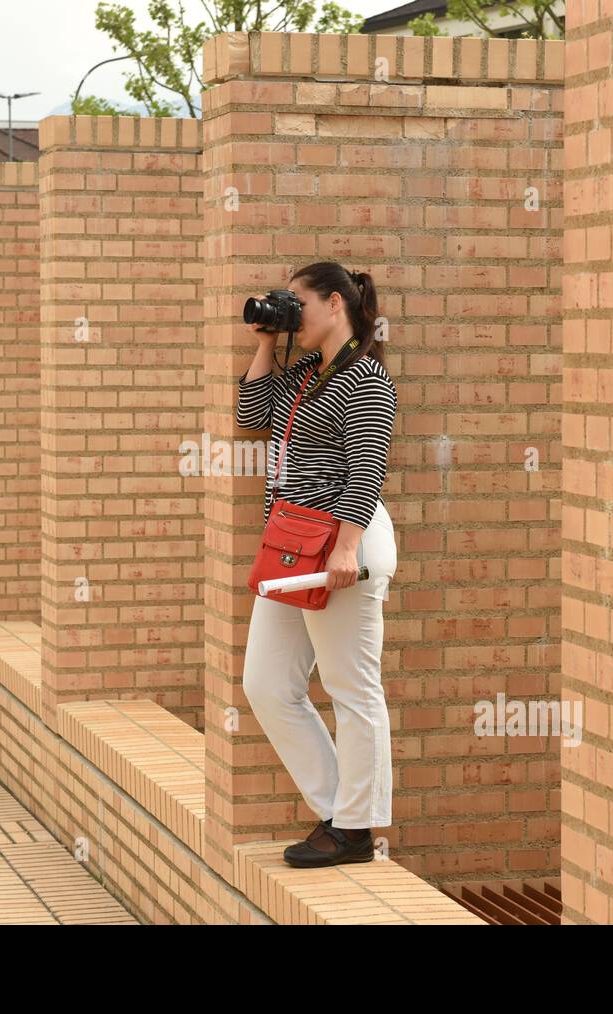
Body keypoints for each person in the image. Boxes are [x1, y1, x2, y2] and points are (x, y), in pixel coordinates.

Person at [236, 261, 398, 869]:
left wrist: (348, 547)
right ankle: (339, 811)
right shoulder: (306, 371)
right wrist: (265, 340)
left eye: (296, 306)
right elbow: (252, 416)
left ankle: (356, 829)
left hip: (340, 547)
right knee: (268, 684)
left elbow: (367, 467)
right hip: (291, 545)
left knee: (352, 688)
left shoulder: (366, 379)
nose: (292, 317)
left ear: (335, 304)